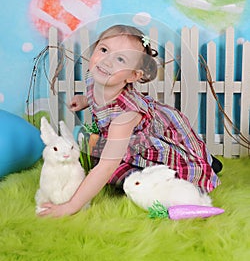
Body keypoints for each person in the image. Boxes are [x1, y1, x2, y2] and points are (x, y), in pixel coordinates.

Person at [39, 24, 222, 217]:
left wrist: (70, 206)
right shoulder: (96, 75)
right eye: (103, 50)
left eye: (120, 59)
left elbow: (107, 165)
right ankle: (209, 161)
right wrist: (85, 100)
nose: (107, 61)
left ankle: (205, 164)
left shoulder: (124, 116)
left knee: (139, 182)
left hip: (158, 141)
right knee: (112, 166)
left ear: (133, 76)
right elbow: (96, 95)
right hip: (133, 140)